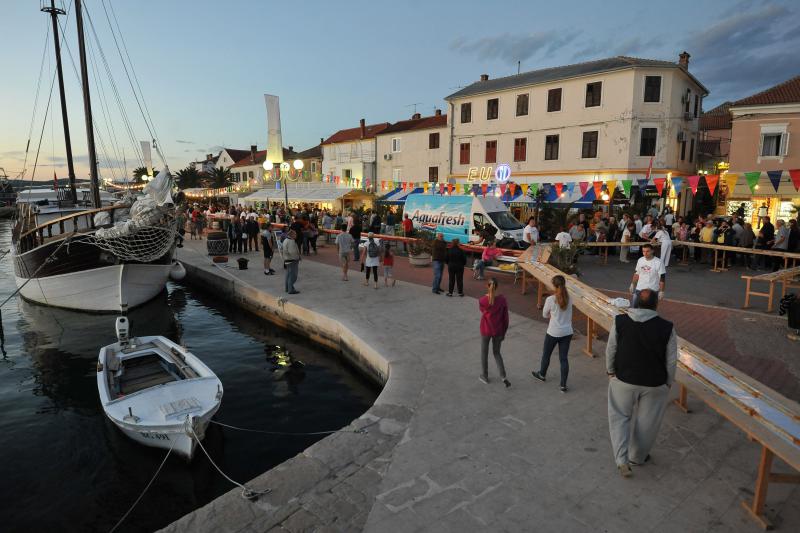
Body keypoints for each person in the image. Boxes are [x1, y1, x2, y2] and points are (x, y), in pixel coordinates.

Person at [606, 288, 678, 478]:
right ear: (656, 304)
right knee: (647, 423)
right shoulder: (667, 327)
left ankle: (621, 460)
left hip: (623, 378)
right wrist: (668, 382)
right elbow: (671, 360)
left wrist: (610, 371)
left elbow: (611, 348)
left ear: (636, 302)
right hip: (655, 383)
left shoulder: (620, 321)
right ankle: (637, 457)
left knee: (619, 418)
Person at [531, 275, 573, 392]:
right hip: (567, 332)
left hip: (553, 332)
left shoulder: (550, 299)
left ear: (554, 286)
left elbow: (544, 315)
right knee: (563, 359)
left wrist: (551, 315)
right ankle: (563, 385)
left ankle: (542, 374)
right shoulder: (570, 298)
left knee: (546, 354)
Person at [478, 278, 510, 387]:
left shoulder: (482, 300)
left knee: (484, 353)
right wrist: (504, 332)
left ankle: (485, 376)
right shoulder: (502, 300)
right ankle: (503, 376)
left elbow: (482, 310)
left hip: (486, 330)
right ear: (497, 287)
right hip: (499, 331)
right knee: (497, 353)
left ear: (487, 286)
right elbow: (506, 319)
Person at [282, 230, 301, 294]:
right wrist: (297, 258)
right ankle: (290, 289)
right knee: (293, 276)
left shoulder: (286, 240)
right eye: (295, 234)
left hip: (287, 260)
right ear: (292, 235)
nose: (296, 235)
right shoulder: (291, 242)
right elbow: (292, 252)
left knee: (288, 275)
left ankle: (287, 288)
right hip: (292, 260)